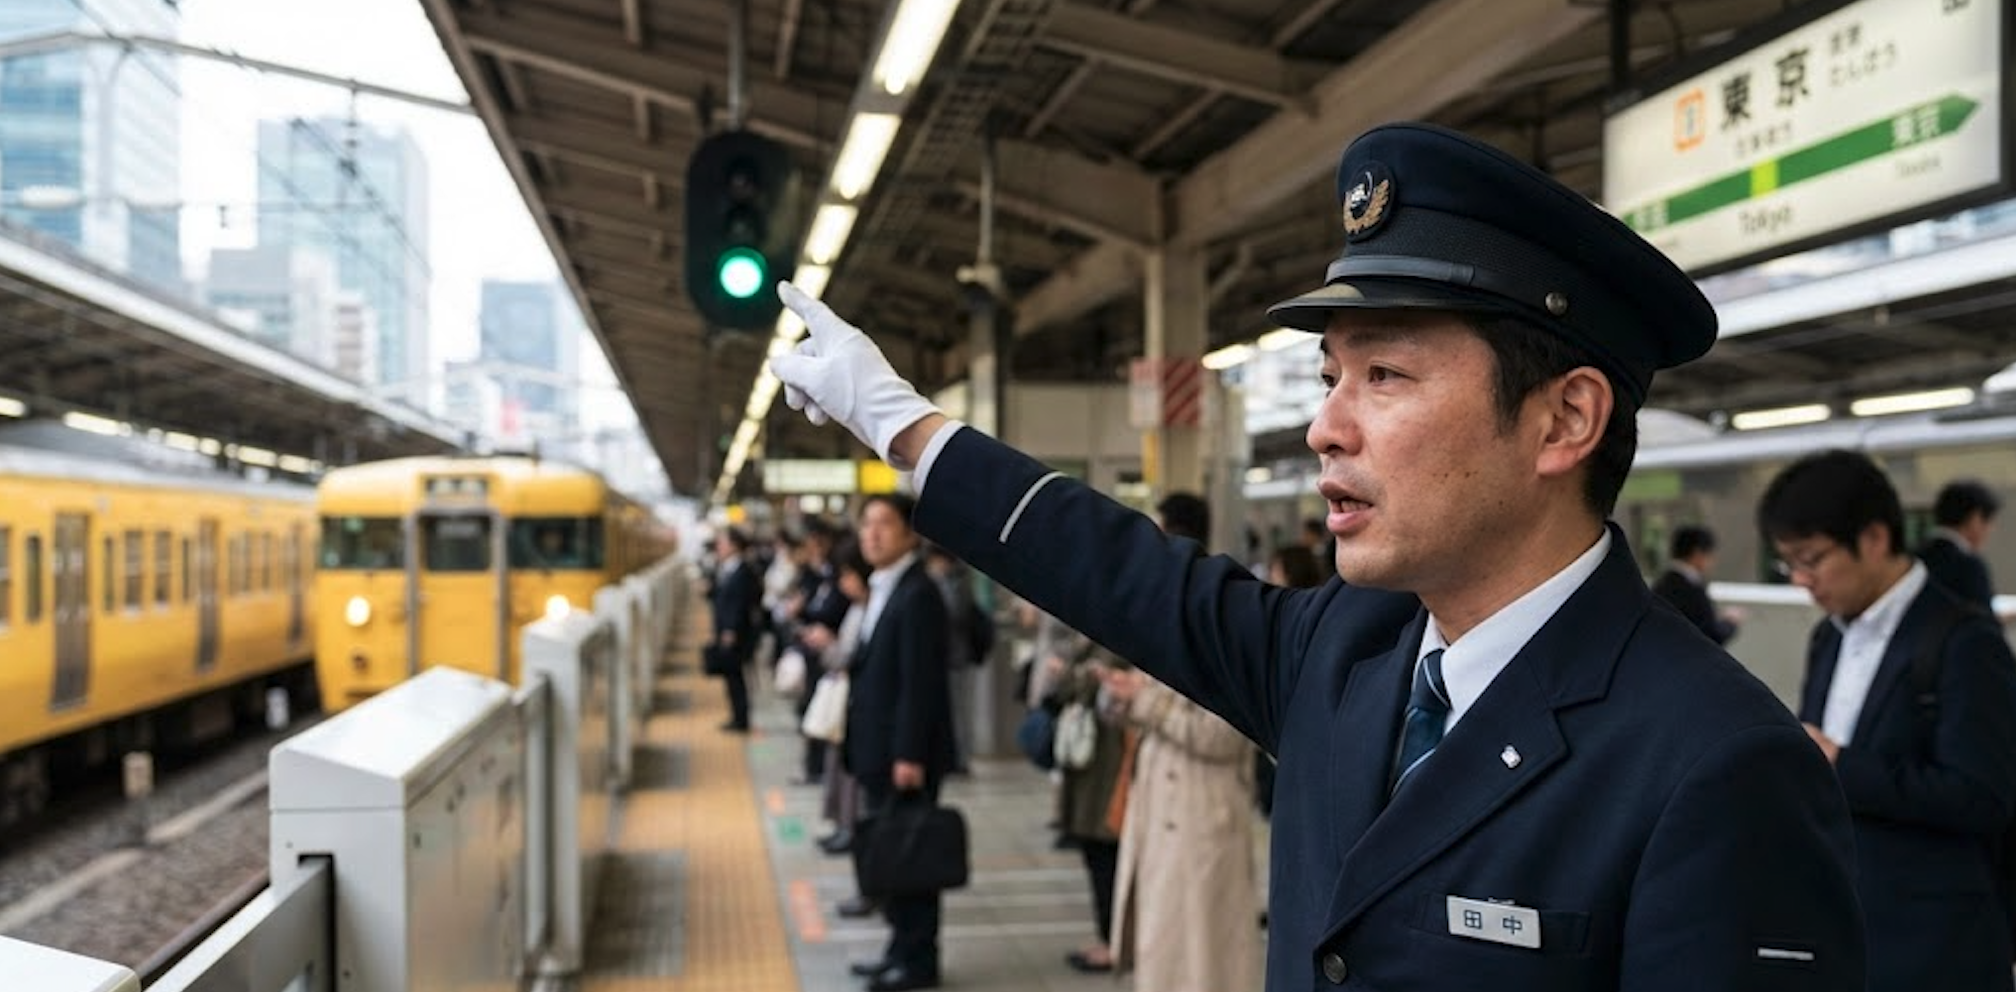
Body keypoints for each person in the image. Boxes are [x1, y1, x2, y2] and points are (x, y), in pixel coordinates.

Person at [770, 121, 1862, 990]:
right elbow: (1118, 568)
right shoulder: (1348, 652)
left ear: (1564, 420)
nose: (1327, 426)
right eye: (1330, 377)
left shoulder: (1716, 763)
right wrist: (905, 425)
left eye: (1383, 375)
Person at [1759, 450, 2016, 990]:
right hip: (1845, 926)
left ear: (1874, 538)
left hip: (1935, 944)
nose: (1801, 581)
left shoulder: (1964, 641)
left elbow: (1984, 797)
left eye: (1812, 559)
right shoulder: (1828, 636)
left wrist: (1839, 764)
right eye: (1789, 565)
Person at [1099, 493, 1263, 992]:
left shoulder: (1227, 612)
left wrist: (1145, 701)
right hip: (1160, 809)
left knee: (1201, 964)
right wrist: (1121, 697)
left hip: (1202, 815)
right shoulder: (1158, 607)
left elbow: (1226, 738)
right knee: (1164, 954)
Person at [840, 493, 956, 992]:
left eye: (883, 524)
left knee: (913, 856)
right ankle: (897, 949)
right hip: (878, 748)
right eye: (866, 524)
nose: (871, 533)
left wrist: (909, 754)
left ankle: (917, 961)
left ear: (910, 533)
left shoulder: (918, 592)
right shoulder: (885, 586)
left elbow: (920, 682)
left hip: (902, 754)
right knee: (893, 852)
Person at [706, 527, 762, 732]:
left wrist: (731, 629)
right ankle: (737, 717)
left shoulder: (743, 571)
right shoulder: (728, 568)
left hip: (737, 634)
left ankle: (741, 719)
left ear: (735, 545)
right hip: (729, 631)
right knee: (731, 677)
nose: (719, 547)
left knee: (736, 676)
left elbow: (740, 603)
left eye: (723, 543)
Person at [1919, 479, 2000, 610]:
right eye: (1989, 523)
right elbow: (1983, 624)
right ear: (1976, 518)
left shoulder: (1911, 559)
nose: (1989, 531)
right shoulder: (1968, 566)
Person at [1652, 524, 1739, 644]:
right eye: (1710, 555)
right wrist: (1730, 622)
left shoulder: (1661, 583)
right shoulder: (1691, 588)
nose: (1712, 561)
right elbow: (1711, 636)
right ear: (1697, 554)